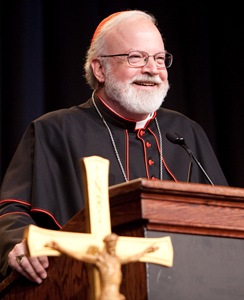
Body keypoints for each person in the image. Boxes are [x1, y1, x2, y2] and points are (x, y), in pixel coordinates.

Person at [0, 9, 228, 285]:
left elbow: (225, 219)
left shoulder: (186, 132)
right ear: (99, 69)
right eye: (136, 57)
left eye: (159, 58)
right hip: (80, 284)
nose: (152, 70)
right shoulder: (54, 130)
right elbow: (11, 212)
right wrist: (18, 244)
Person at [45, 233, 158, 300]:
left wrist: (147, 250)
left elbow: (133, 258)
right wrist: (59, 247)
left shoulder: (117, 259)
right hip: (106, 296)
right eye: (111, 245)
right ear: (107, 245)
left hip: (118, 296)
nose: (113, 248)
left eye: (114, 245)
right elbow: (79, 256)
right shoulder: (100, 260)